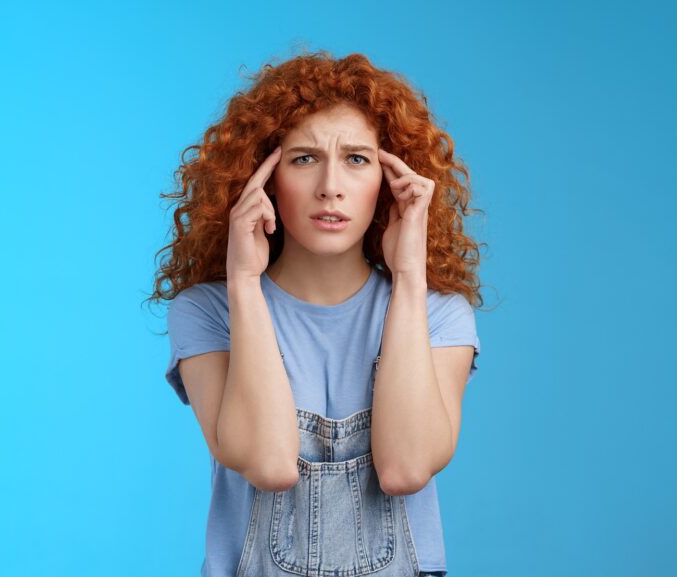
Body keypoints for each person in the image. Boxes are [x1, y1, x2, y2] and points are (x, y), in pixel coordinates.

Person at [149, 49, 483, 577]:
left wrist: (410, 279)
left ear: (390, 179)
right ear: (262, 179)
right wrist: (242, 282)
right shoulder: (206, 312)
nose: (331, 185)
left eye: (357, 159)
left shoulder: (439, 314)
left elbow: (405, 467)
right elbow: (270, 463)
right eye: (304, 158)